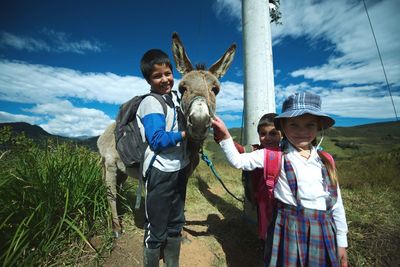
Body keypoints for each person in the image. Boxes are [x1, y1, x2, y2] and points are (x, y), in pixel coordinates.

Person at [212, 92, 348, 267]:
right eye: (294, 125)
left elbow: (336, 203)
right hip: (287, 229)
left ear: (319, 126)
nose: (302, 131)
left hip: (324, 231)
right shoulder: (273, 155)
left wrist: (342, 242)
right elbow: (238, 161)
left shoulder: (326, 160)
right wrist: (224, 135)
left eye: (310, 125)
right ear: (283, 127)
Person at [137, 49, 190, 267]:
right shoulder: (151, 103)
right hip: (160, 171)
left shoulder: (173, 100)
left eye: (167, 73)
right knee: (157, 226)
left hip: (179, 168)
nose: (165, 79)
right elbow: (157, 139)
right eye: (157, 76)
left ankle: (172, 263)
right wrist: (187, 134)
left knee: (176, 221)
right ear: (148, 79)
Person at [219, 113, 281, 243]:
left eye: (273, 133)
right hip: (260, 199)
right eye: (263, 134)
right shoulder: (256, 150)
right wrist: (221, 137)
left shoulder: (287, 153)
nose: (268, 138)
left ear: (282, 133)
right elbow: (241, 150)